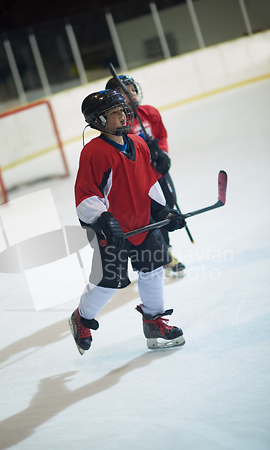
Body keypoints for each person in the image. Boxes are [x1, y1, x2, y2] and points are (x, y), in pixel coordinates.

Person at [69, 89, 186, 355]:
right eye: (114, 113)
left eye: (123, 111)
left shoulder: (139, 143)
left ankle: (154, 322)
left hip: (143, 225)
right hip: (114, 232)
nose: (123, 116)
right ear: (98, 120)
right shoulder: (94, 152)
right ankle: (81, 318)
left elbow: (148, 184)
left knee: (153, 269)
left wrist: (165, 213)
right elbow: (86, 193)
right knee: (109, 282)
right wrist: (103, 218)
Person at [105, 75, 185, 278]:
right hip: (138, 181)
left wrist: (163, 153)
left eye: (132, 89)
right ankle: (149, 256)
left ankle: (166, 252)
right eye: (125, 91)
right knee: (145, 217)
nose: (130, 93)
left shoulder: (149, 112)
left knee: (167, 208)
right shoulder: (117, 124)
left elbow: (162, 135)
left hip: (158, 174)